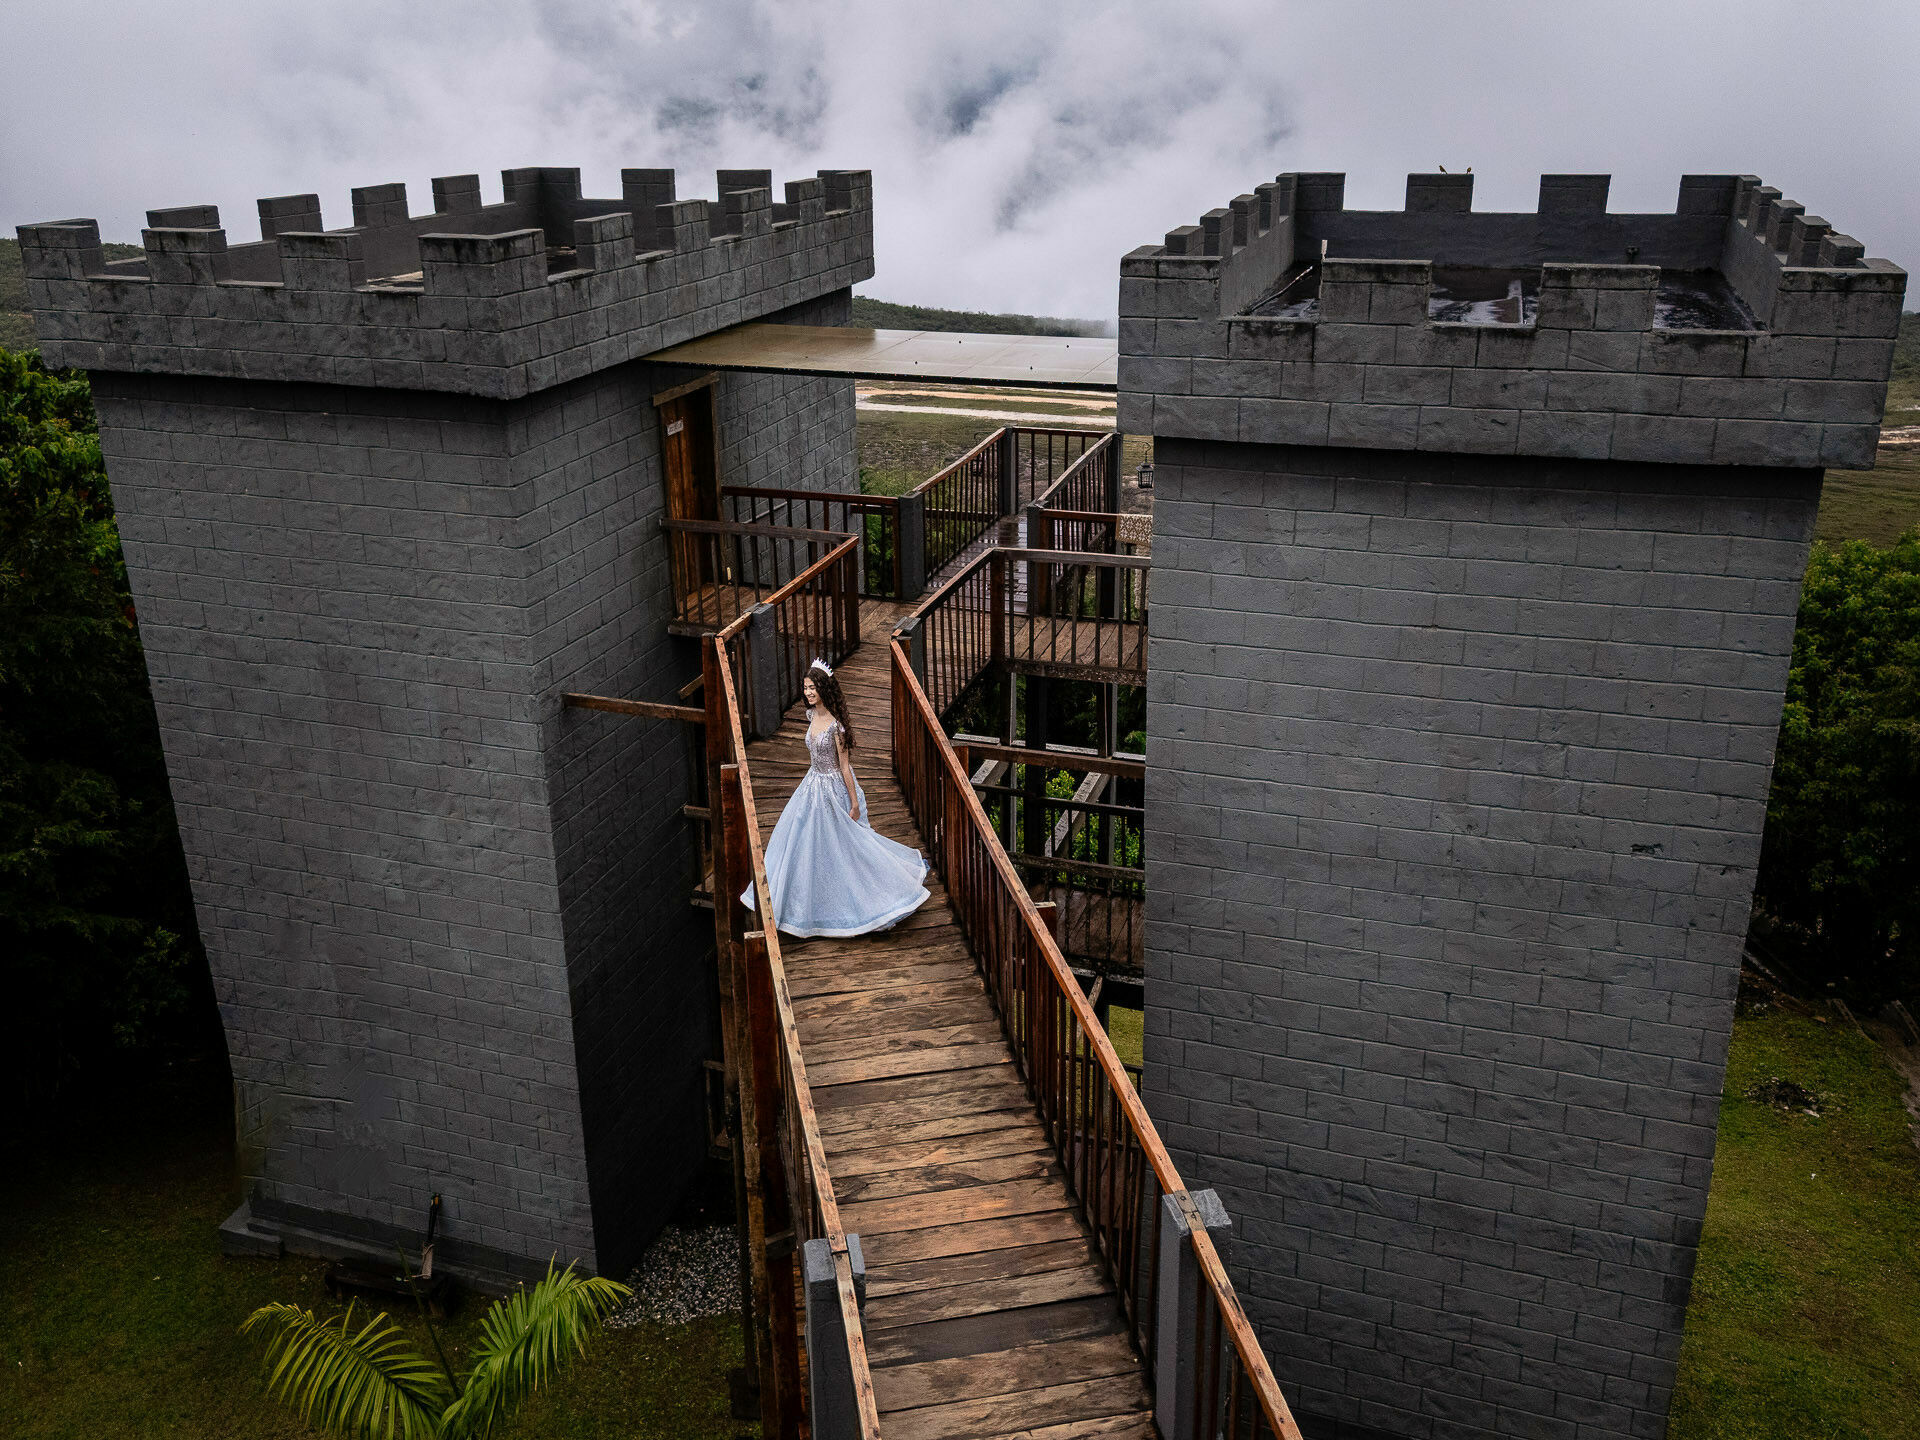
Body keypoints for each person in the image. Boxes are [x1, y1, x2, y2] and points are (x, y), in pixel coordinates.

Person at [742, 659, 930, 937]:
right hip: (811, 785)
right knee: (803, 841)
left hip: (832, 788)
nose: (807, 693)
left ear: (824, 689)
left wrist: (854, 802)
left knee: (845, 845)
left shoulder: (836, 727)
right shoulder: (810, 716)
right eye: (805, 688)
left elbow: (844, 766)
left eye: (813, 688)